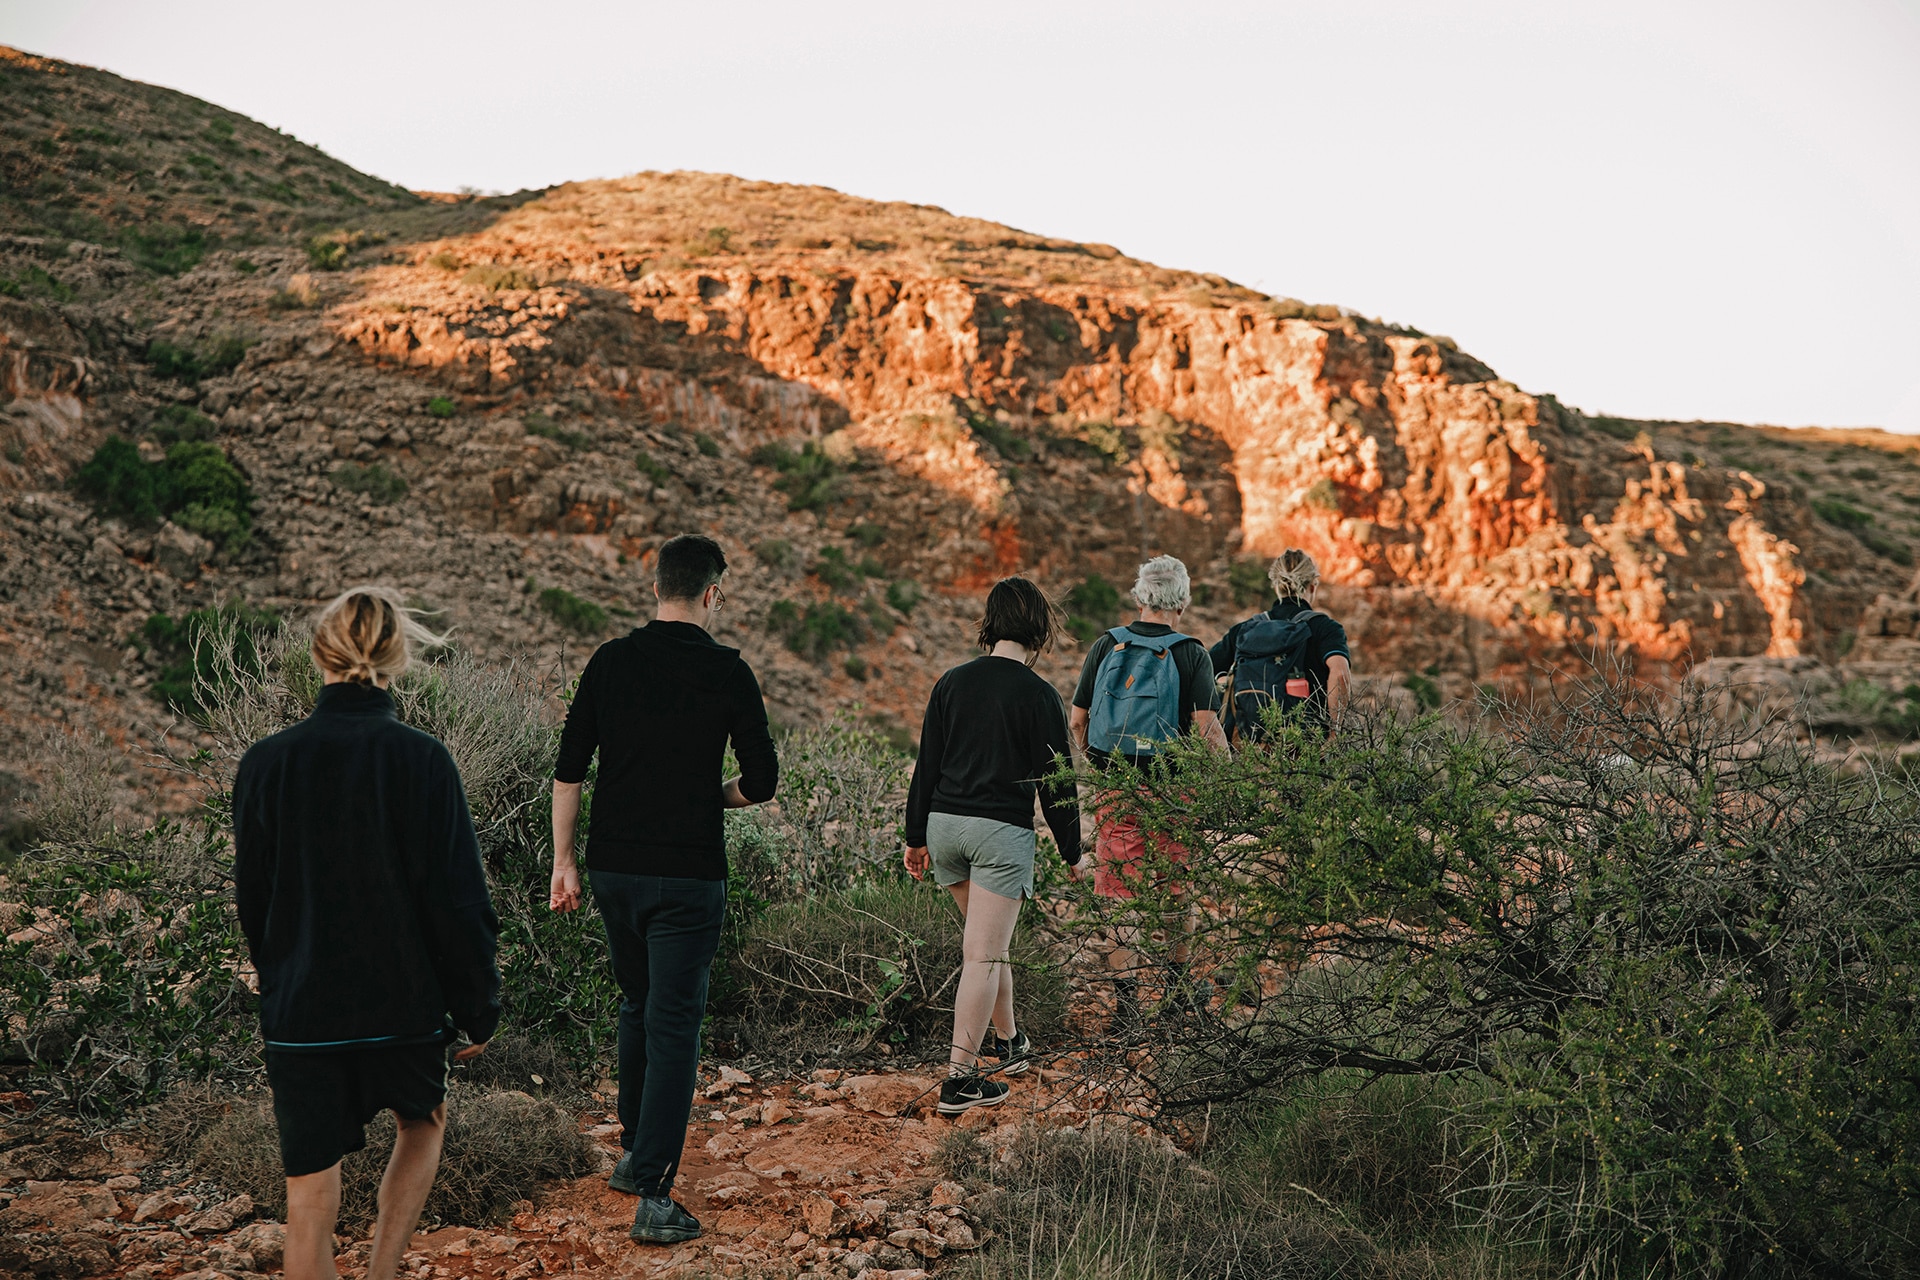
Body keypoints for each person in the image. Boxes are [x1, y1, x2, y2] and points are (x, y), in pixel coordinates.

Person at [233, 587, 499, 1280]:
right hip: (401, 1008)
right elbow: (458, 901)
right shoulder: (424, 759)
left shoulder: (266, 762)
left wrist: (279, 979)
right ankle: (384, 1270)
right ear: (397, 657)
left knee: (309, 1203)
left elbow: (254, 900)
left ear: (318, 655)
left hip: (302, 1013)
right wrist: (478, 1009)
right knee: (424, 1123)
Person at [550, 533, 778, 1245]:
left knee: (637, 1003)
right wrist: (715, 797)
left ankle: (633, 1152)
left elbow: (568, 769)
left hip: (613, 868)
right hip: (688, 874)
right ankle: (652, 1188)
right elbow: (764, 780)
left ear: (657, 588)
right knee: (675, 1024)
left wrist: (563, 862)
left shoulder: (611, 661)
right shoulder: (728, 671)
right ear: (713, 593)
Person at [903, 576, 1083, 1115]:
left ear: (991, 623)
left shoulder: (951, 682)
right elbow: (1056, 783)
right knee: (984, 951)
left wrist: (916, 837)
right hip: (998, 834)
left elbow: (926, 766)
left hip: (945, 827)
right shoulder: (1040, 694)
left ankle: (1010, 1044)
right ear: (1039, 629)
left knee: (989, 942)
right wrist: (1072, 851)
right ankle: (960, 1080)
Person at [1068, 555, 1226, 1025]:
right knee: (1177, 891)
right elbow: (1207, 732)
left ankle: (1127, 1007)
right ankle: (1178, 996)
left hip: (1117, 788)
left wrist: (1099, 768)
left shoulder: (1105, 646)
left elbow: (1078, 720)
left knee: (1120, 896)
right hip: (1174, 793)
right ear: (1183, 600)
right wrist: (1233, 783)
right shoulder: (1191, 653)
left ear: (1139, 598)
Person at [1211, 548, 1350, 740]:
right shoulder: (1325, 628)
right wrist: (1335, 733)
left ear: (1276, 585)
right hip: (1308, 747)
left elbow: (1205, 670)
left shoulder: (1245, 629)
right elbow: (1340, 674)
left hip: (1252, 748)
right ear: (1313, 585)